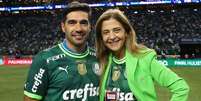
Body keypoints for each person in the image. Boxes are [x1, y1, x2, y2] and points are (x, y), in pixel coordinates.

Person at [95, 9, 189, 101]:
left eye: (116, 30)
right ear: (101, 37)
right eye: (106, 32)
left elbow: (181, 88)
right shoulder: (103, 61)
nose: (111, 37)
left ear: (127, 32)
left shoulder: (145, 59)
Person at [24, 2, 100, 101]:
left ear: (90, 27)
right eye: (72, 22)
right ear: (63, 27)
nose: (78, 29)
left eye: (83, 23)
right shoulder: (44, 60)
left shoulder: (99, 58)